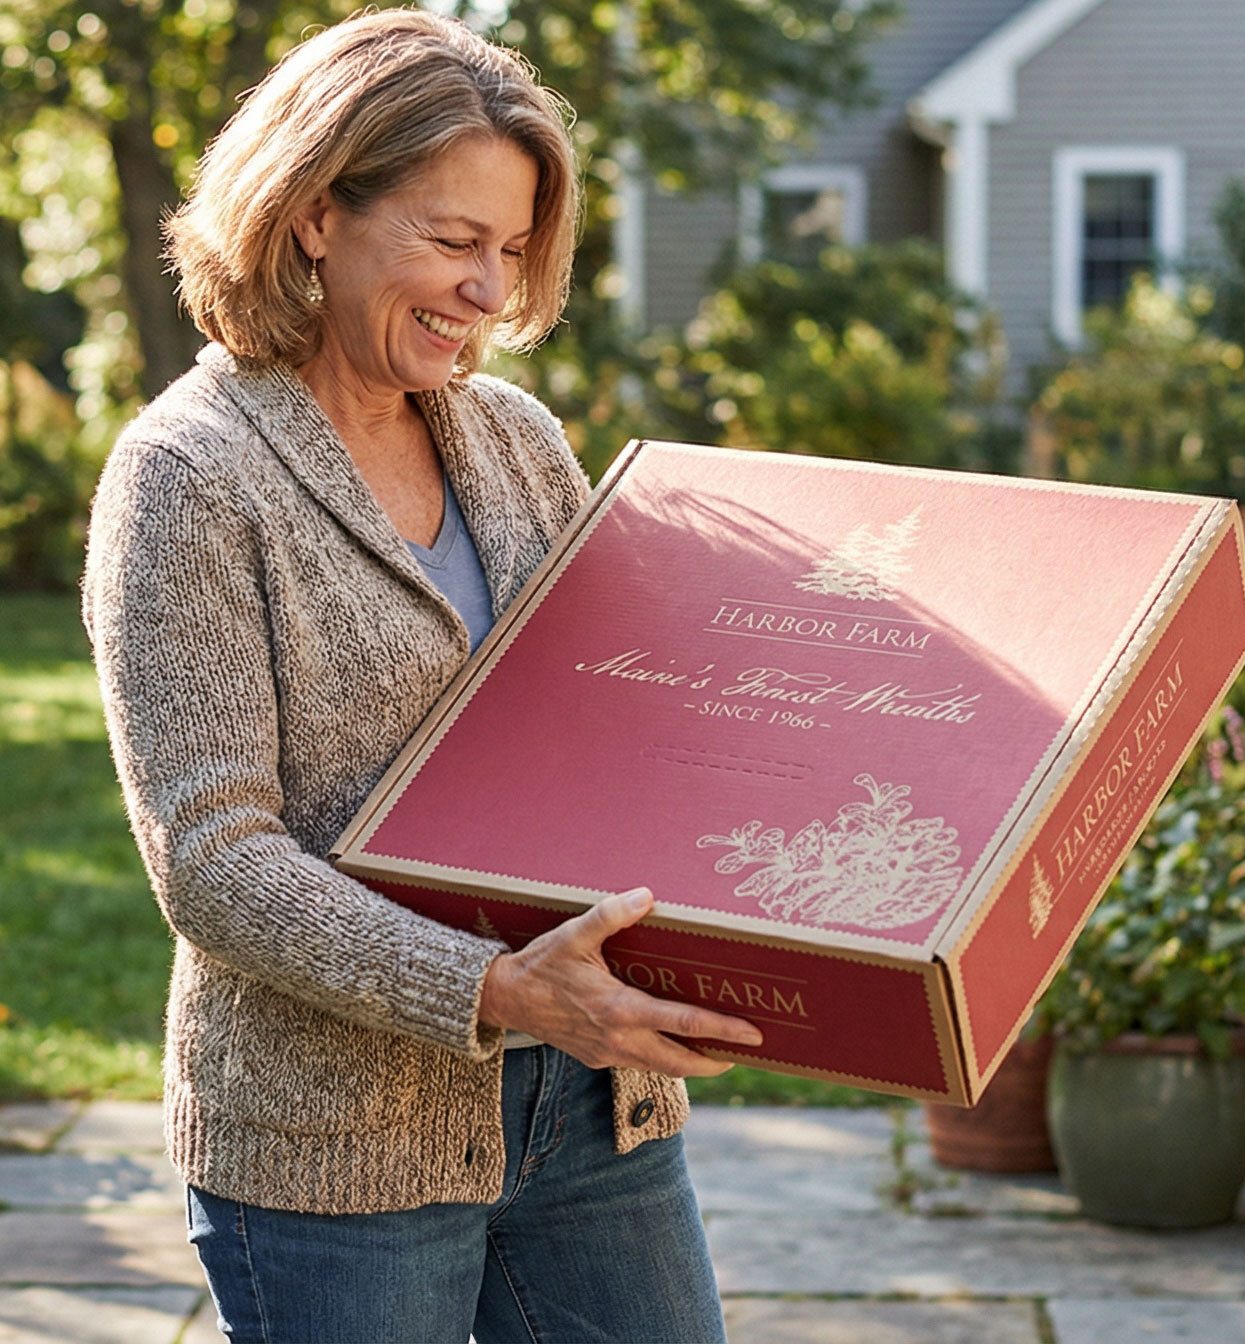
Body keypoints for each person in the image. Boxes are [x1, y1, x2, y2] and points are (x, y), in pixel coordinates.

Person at [81, 9, 763, 1342]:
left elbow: (617, 726)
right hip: (335, 1145)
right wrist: (492, 990)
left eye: (512, 250)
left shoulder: (515, 439)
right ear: (315, 214)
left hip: (592, 1110)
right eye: (455, 242)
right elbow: (213, 861)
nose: (490, 291)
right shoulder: (188, 477)